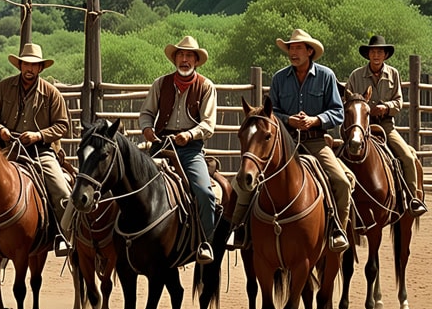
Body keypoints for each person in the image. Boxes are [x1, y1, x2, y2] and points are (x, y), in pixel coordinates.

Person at [232, 29, 352, 252]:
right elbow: (271, 112)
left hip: (315, 141)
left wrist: (315, 120)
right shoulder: (279, 78)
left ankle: (337, 229)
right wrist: (289, 120)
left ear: (309, 51)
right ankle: (239, 227)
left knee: (342, 182)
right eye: (290, 48)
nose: (292, 52)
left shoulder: (326, 76)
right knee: (251, 176)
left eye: (297, 48)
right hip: (283, 143)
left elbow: (338, 112)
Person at [0, 42, 72, 251]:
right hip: (7, 150)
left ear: (40, 68)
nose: (29, 69)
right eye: (26, 64)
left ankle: (64, 235)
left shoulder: (51, 94)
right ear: (20, 65)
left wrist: (38, 135)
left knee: (62, 192)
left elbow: (63, 126)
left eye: (34, 65)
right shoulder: (4, 87)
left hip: (41, 152)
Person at [139, 36, 217, 264]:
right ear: (175, 59)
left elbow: (208, 124)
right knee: (130, 182)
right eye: (181, 55)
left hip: (190, 149)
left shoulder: (206, 86)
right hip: (159, 145)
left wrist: (190, 135)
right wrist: (146, 130)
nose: (184, 60)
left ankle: (205, 241)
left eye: (189, 56)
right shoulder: (160, 84)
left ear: (196, 60)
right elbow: (146, 113)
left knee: (204, 192)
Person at [345, 35, 427, 217]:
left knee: (407, 156)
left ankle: (413, 198)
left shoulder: (393, 74)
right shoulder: (355, 76)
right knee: (340, 155)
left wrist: (386, 107)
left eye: (380, 52)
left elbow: (398, 102)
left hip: (385, 126)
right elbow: (348, 100)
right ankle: (338, 203)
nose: (376, 55)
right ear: (368, 54)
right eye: (373, 51)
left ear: (385, 55)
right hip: (361, 127)